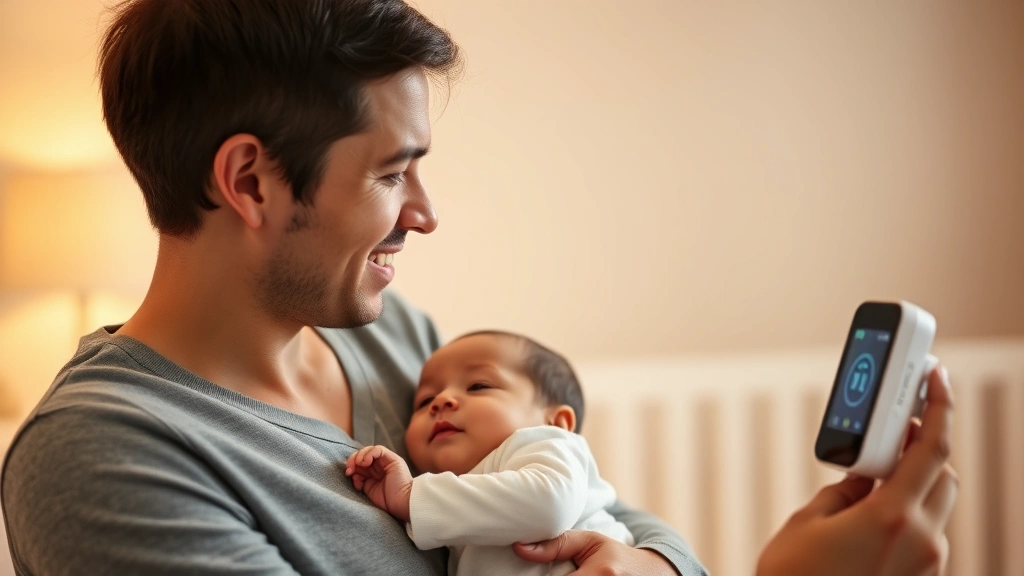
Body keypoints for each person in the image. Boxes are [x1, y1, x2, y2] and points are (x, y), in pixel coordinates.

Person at [0, 1, 957, 575]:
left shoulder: (395, 343)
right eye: (390, 173)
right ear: (250, 182)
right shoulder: (102, 457)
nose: (423, 214)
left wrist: (649, 563)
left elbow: (603, 507)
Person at [345, 330, 654, 576]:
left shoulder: (547, 444)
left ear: (556, 421)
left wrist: (411, 496)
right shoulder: (459, 497)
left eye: (478, 385)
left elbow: (549, 503)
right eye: (424, 401)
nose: (442, 400)